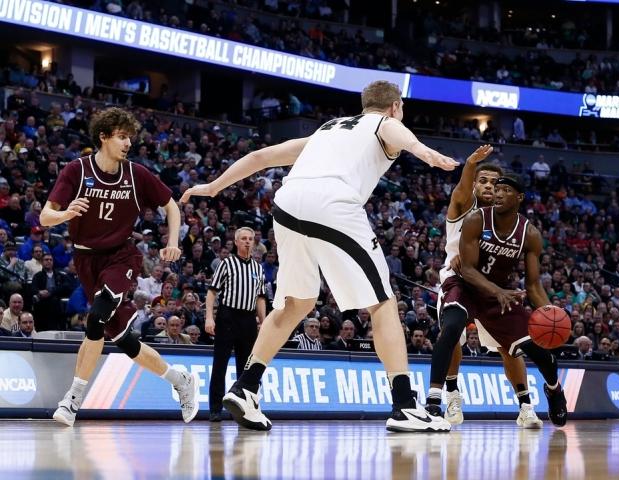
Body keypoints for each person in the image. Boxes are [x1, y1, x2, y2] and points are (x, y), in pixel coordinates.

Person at [181, 80, 457, 432]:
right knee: (383, 302)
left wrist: (214, 187)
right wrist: (423, 151)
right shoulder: (384, 123)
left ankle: (245, 387)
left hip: (288, 202)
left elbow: (261, 157)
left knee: (296, 303)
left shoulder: (328, 129)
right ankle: (404, 405)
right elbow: (394, 131)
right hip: (332, 202)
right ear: (394, 106)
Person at [40, 107, 199, 427]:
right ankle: (180, 380)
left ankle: (72, 400)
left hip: (121, 257)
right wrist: (66, 214)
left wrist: (173, 241)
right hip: (86, 260)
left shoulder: (136, 174)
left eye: (130, 138)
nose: (128, 143)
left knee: (96, 316)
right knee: (124, 340)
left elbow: (171, 206)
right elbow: (46, 217)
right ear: (103, 136)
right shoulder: (76, 170)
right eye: (122, 137)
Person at [426, 174, 568, 428]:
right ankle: (434, 402)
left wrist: (550, 311)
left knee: (540, 353)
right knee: (451, 329)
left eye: (505, 190)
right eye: (497, 189)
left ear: (520, 197)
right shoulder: (476, 219)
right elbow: (467, 269)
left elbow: (533, 285)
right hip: (465, 286)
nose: (498, 193)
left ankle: (554, 389)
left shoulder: (530, 234)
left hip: (498, 294)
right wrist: (497, 291)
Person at [205, 226, 267, 422]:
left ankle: (243, 409)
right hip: (227, 317)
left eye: (250, 239)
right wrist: (209, 317)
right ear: (236, 242)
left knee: (246, 368)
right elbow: (212, 292)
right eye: (244, 238)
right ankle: (215, 409)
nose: (248, 241)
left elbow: (260, 298)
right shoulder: (227, 263)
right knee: (220, 365)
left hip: (248, 320)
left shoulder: (258, 268)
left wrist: (264, 322)